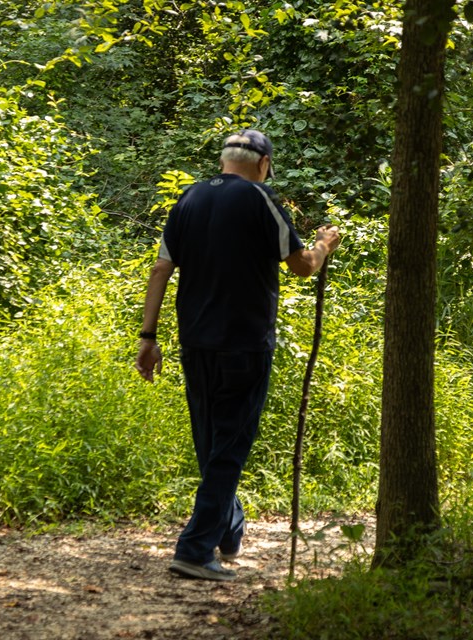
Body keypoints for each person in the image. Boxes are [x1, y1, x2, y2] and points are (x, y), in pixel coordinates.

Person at [135, 129, 341, 581]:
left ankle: (228, 532)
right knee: (228, 447)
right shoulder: (259, 198)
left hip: (196, 341)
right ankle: (194, 549)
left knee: (213, 442)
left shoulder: (188, 200)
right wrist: (325, 243)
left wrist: (148, 337)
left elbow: (161, 269)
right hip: (244, 342)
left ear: (224, 160)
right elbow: (303, 266)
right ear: (264, 163)